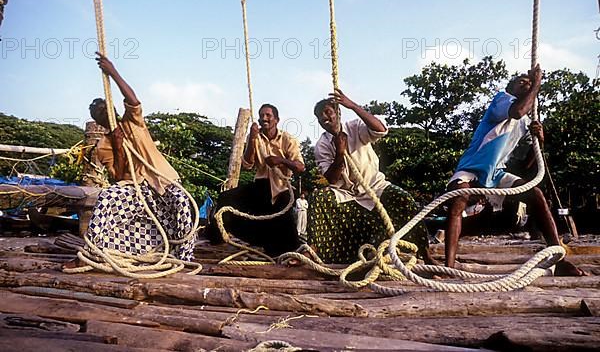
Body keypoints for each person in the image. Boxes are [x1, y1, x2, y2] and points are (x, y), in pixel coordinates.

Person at [445, 65, 584, 276]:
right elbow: (518, 111)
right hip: (471, 168)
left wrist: (541, 139)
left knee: (536, 195)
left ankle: (559, 257)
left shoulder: (526, 122)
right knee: (459, 200)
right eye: (522, 83)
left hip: (497, 173)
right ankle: (449, 266)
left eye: (529, 83)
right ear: (511, 87)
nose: (527, 85)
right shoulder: (502, 100)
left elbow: (529, 162)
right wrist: (537, 83)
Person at [70, 53, 196, 266]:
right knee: (108, 196)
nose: (101, 113)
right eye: (97, 112)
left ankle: (182, 258)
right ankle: (93, 254)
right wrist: (119, 148)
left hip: (162, 182)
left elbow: (133, 100)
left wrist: (113, 71)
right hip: (135, 189)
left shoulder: (133, 122)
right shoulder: (103, 146)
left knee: (182, 202)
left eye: (103, 108)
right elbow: (118, 176)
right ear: (96, 120)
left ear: (112, 108)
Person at [308, 90, 433, 264]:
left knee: (403, 199)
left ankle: (424, 253)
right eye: (320, 117)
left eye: (328, 112)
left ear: (338, 112)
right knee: (319, 197)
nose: (325, 118)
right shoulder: (322, 145)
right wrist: (339, 153)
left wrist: (352, 105)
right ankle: (317, 250)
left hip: (375, 186)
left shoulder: (355, 126)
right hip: (348, 195)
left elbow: (381, 129)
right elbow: (331, 179)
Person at [206, 104, 304, 257]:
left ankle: (273, 246)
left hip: (281, 189)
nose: (264, 118)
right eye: (261, 115)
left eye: (268, 115)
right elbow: (247, 164)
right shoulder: (255, 137)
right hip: (261, 186)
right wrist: (252, 139)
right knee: (226, 198)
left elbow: (300, 167)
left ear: (276, 120)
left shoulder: (288, 139)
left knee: (285, 238)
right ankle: (216, 237)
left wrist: (281, 161)